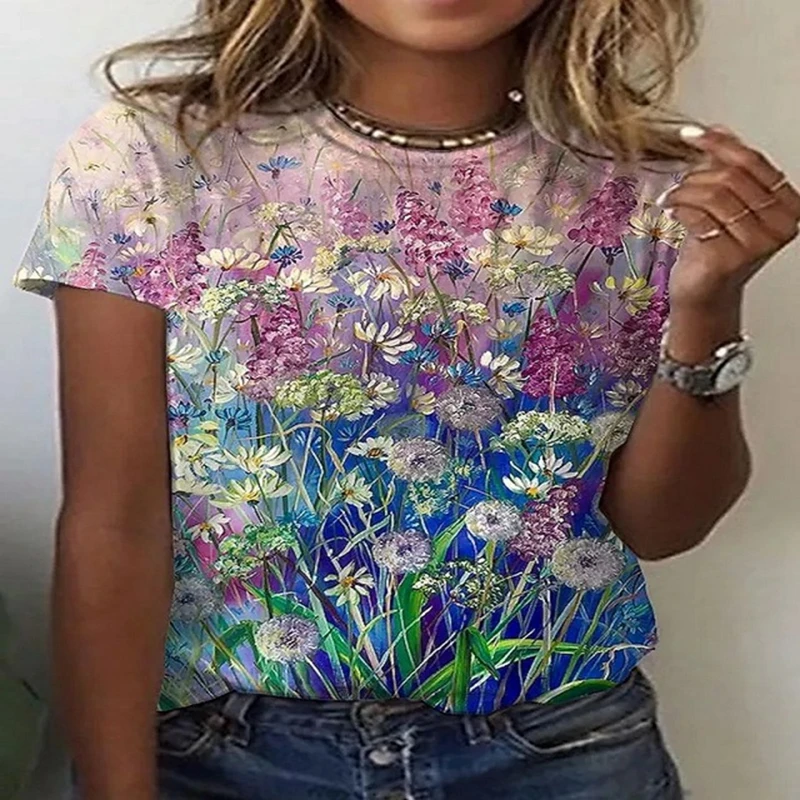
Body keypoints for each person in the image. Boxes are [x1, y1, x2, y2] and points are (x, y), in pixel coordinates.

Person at [13, 0, 800, 798]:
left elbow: (662, 527)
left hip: (561, 750)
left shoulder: (655, 188)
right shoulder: (153, 158)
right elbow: (113, 523)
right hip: (224, 756)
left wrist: (709, 304)